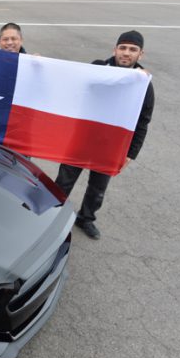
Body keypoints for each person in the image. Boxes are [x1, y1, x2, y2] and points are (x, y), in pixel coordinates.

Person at [55, 30, 155, 240]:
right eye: (123, 48)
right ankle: (51, 214)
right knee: (64, 181)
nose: (126, 53)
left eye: (132, 50)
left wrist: (131, 153)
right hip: (83, 138)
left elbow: (142, 122)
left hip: (111, 145)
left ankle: (86, 218)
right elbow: (75, 81)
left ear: (140, 54)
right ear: (115, 49)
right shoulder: (99, 67)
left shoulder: (143, 85)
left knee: (98, 188)